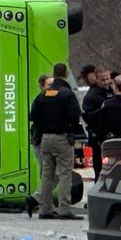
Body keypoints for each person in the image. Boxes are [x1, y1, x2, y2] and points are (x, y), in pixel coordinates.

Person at [29, 63, 82, 220]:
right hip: (62, 137)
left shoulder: (44, 94)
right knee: (65, 173)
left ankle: (44, 208)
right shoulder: (67, 94)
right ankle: (64, 208)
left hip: (45, 138)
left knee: (47, 174)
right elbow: (74, 115)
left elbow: (33, 116)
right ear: (65, 74)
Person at [26, 73, 54, 217]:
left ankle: (38, 199)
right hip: (40, 140)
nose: (52, 87)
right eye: (49, 84)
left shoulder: (49, 99)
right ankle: (40, 201)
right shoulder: (40, 100)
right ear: (42, 86)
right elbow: (33, 117)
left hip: (44, 139)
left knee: (50, 174)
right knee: (48, 173)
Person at [81, 66, 114, 181]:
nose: (106, 82)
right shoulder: (91, 96)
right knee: (100, 166)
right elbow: (88, 117)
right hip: (99, 135)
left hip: (114, 134)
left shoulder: (114, 91)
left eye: (107, 78)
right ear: (97, 80)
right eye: (102, 80)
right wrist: (102, 110)